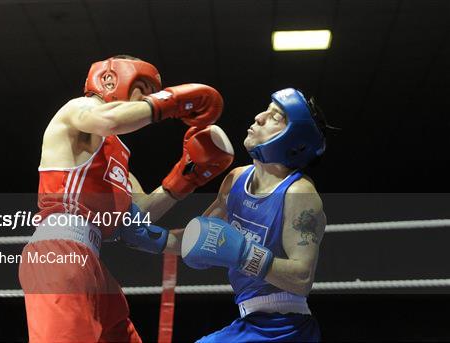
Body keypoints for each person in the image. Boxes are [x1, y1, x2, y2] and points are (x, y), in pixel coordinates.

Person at [18, 55, 234, 343]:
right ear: (111, 80)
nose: (148, 98)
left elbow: (139, 217)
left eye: (152, 93)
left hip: (89, 259)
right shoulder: (79, 110)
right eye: (143, 88)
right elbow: (109, 119)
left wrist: (185, 178)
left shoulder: (116, 153)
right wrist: (168, 102)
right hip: (58, 251)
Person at [163, 88, 330, 342]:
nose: (259, 117)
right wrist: (148, 236)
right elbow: (198, 235)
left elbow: (302, 278)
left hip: (285, 328)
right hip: (251, 322)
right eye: (266, 109)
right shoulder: (235, 180)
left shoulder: (299, 193)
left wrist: (244, 255)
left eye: (276, 117)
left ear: (293, 137)